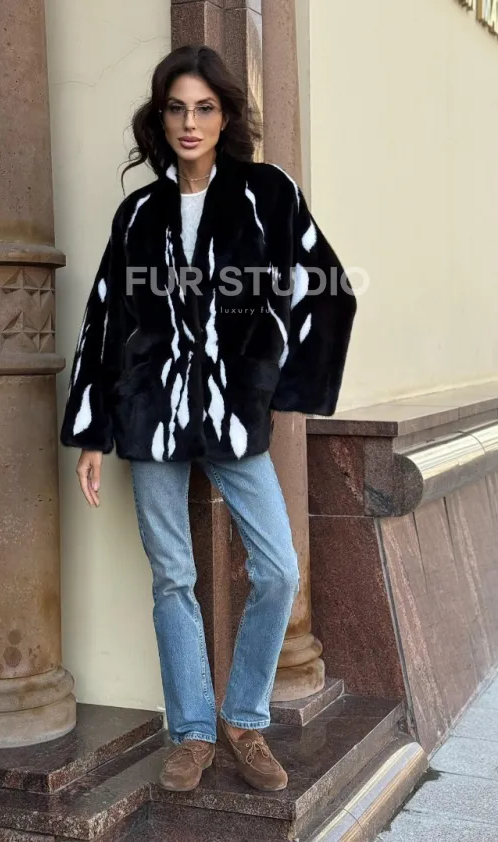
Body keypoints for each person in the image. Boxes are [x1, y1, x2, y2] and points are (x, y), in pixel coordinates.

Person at [61, 45, 356, 793]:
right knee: (173, 578)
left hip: (231, 417)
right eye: (177, 108)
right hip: (149, 415)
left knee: (278, 571)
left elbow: (324, 285)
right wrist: (93, 430)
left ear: (225, 117)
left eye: (205, 108)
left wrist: (271, 382)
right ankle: (191, 733)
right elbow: (104, 318)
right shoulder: (138, 213)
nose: (190, 122)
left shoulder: (265, 193)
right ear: (160, 119)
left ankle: (243, 720)